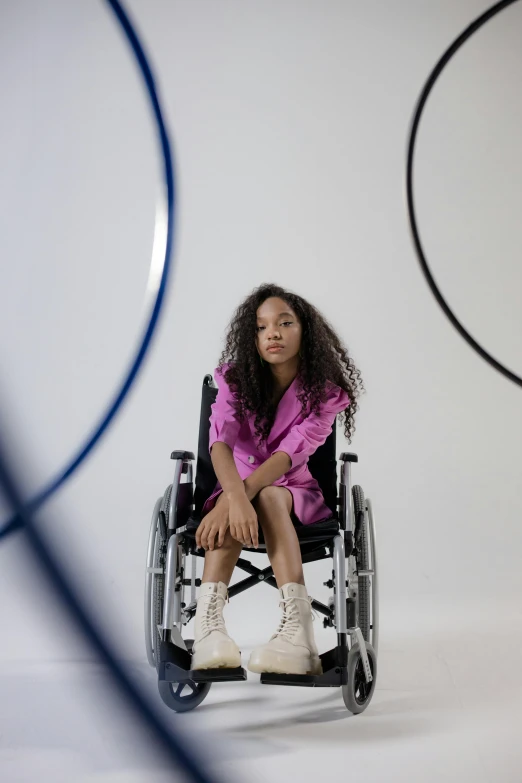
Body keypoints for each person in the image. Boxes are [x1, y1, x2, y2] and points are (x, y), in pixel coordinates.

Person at [192, 283, 364, 675]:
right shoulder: (234, 380)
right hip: (231, 484)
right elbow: (219, 443)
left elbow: (289, 455)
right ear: (251, 336)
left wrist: (236, 499)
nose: (272, 333)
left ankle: (298, 631)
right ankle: (209, 627)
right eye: (261, 327)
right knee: (240, 501)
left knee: (265, 497)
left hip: (292, 492)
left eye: (285, 323)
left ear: (305, 331)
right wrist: (232, 497)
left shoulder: (324, 395)